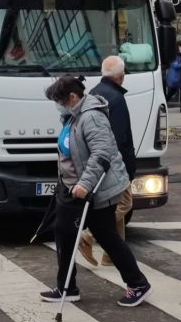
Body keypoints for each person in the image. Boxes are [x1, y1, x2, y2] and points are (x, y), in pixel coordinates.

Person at [43, 75, 152, 307]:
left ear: (72, 97)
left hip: (95, 189)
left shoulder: (91, 117)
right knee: (66, 233)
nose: (57, 105)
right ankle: (66, 287)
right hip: (73, 188)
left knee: (106, 237)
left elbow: (102, 153)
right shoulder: (72, 115)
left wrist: (84, 184)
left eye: (59, 100)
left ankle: (137, 283)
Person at [79, 56, 136, 266]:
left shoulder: (93, 93)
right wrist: (128, 169)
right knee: (125, 203)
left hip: (98, 161)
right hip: (115, 164)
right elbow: (120, 138)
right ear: (121, 77)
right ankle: (89, 236)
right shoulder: (117, 99)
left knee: (114, 207)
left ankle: (112, 255)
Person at [165, 41, 181, 112]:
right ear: (178, 47)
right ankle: (162, 105)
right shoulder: (175, 56)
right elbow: (175, 66)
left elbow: (180, 65)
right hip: (177, 77)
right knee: (172, 92)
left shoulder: (180, 55)